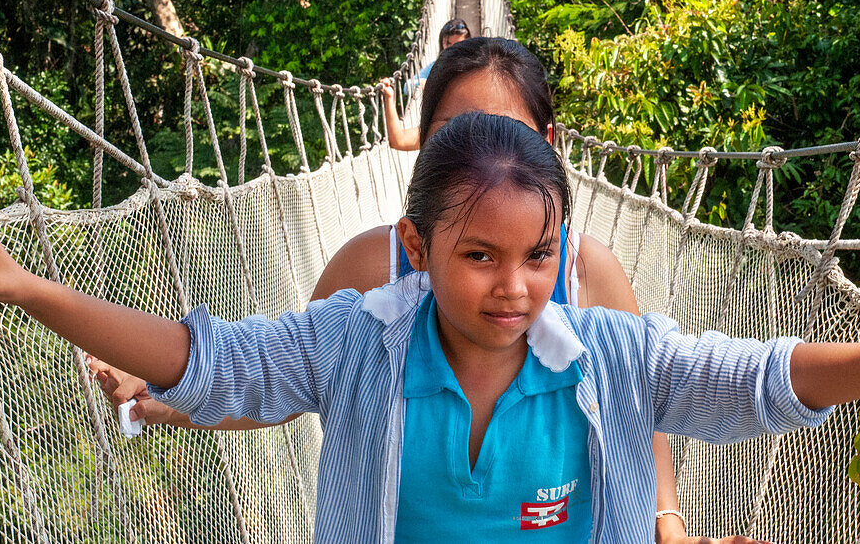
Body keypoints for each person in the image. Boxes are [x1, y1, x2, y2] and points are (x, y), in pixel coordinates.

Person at [0, 113, 860, 542]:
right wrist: (35, 287)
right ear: (414, 250)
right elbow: (211, 359)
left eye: (538, 252)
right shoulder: (355, 341)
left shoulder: (605, 356)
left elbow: (751, 376)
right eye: (478, 255)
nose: (515, 286)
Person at [91, 37, 703, 541]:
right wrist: (173, 397)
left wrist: (667, 524)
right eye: (453, 136)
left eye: (502, 134)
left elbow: (638, 406)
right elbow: (292, 380)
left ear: (544, 144)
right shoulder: (370, 266)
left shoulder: (584, 271)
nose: (478, 156)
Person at [383, 18, 471, 151]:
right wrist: (388, 98)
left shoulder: (479, 69)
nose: (453, 50)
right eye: (448, 44)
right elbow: (398, 140)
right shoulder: (441, 130)